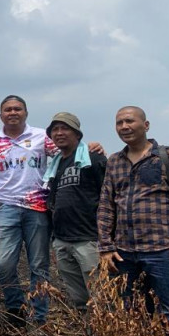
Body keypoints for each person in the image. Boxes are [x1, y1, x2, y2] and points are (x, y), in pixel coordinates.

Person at [97, 106, 169, 325]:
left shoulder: (168, 156)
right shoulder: (115, 161)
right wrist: (106, 246)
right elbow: (107, 205)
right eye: (119, 123)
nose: (124, 127)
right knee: (129, 313)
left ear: (146, 125)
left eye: (130, 121)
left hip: (163, 250)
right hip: (124, 254)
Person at [0, 95, 57, 325]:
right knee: (4, 264)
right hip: (5, 209)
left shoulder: (42, 137)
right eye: (8, 109)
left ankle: (39, 317)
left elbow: (65, 154)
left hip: (37, 209)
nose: (13, 112)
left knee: (39, 266)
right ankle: (15, 309)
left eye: (17, 109)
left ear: (26, 113)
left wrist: (88, 149)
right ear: (1, 115)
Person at [43, 113, 107, 312]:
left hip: (89, 240)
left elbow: (110, 195)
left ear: (77, 134)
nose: (59, 133)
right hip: (63, 241)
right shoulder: (55, 165)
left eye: (65, 128)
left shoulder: (92, 157)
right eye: (55, 130)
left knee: (100, 298)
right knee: (79, 299)